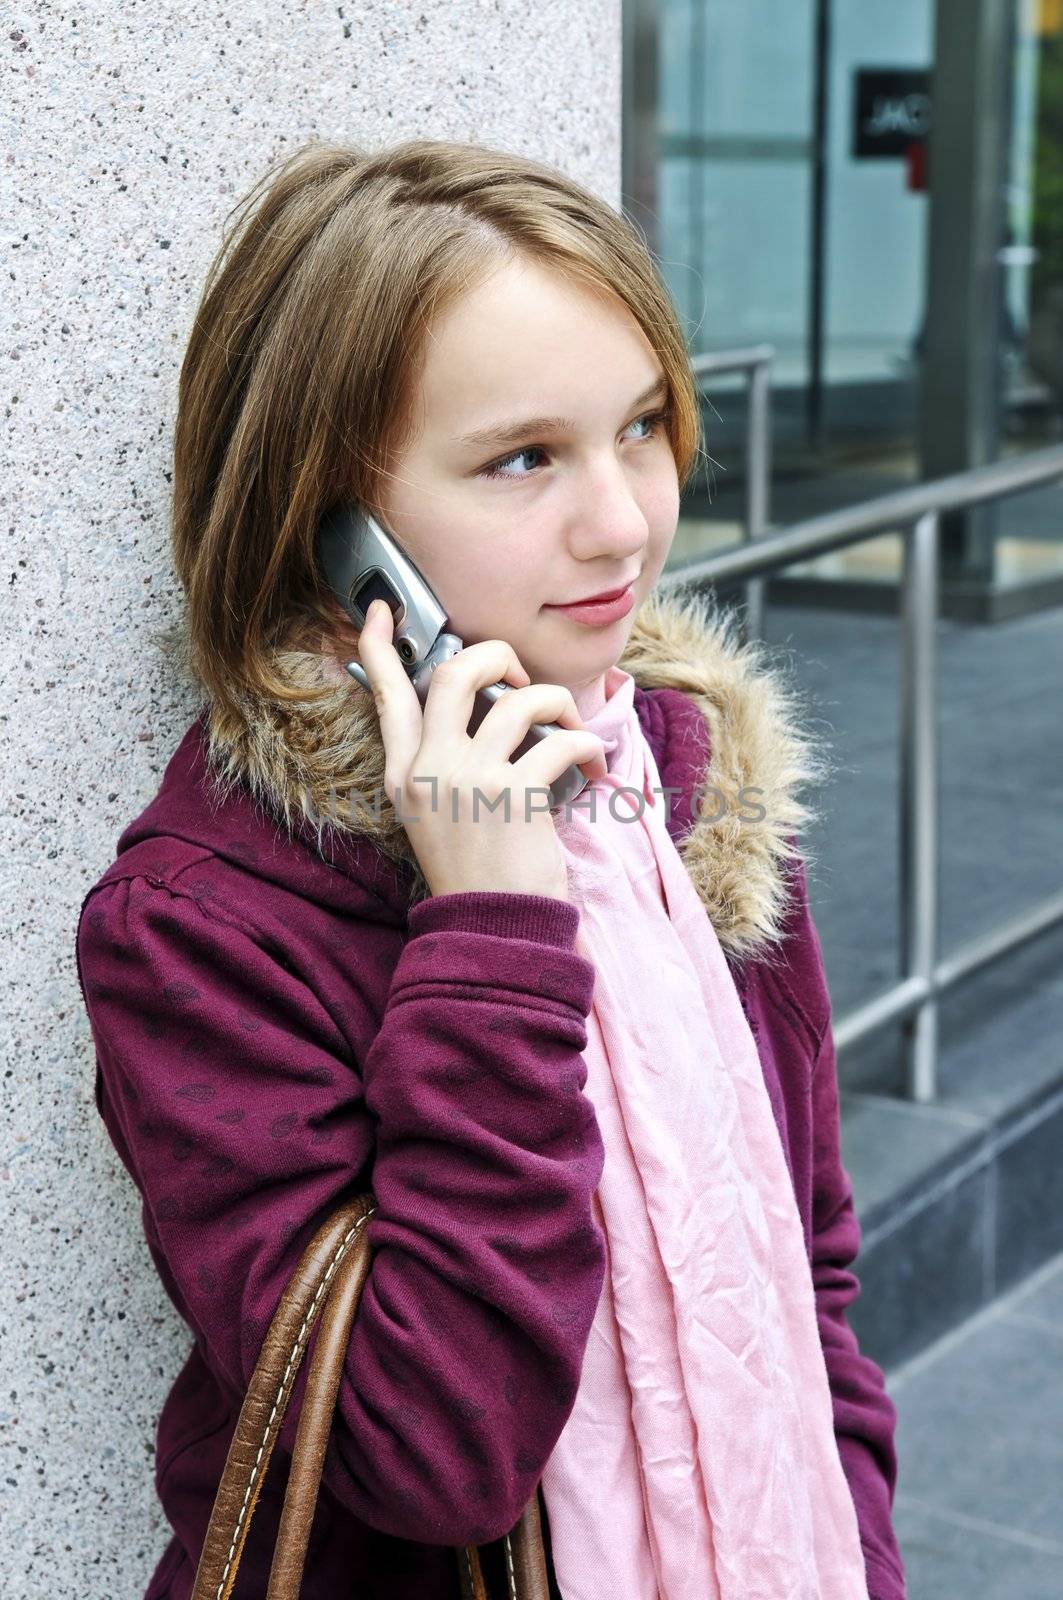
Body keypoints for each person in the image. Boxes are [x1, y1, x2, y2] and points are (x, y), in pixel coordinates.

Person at [74, 137, 907, 1600]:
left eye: (640, 425)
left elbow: (809, 1278)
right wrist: (495, 927)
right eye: (524, 457)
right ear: (337, 528)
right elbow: (437, 1456)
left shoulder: (678, 783)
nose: (624, 523)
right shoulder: (207, 923)